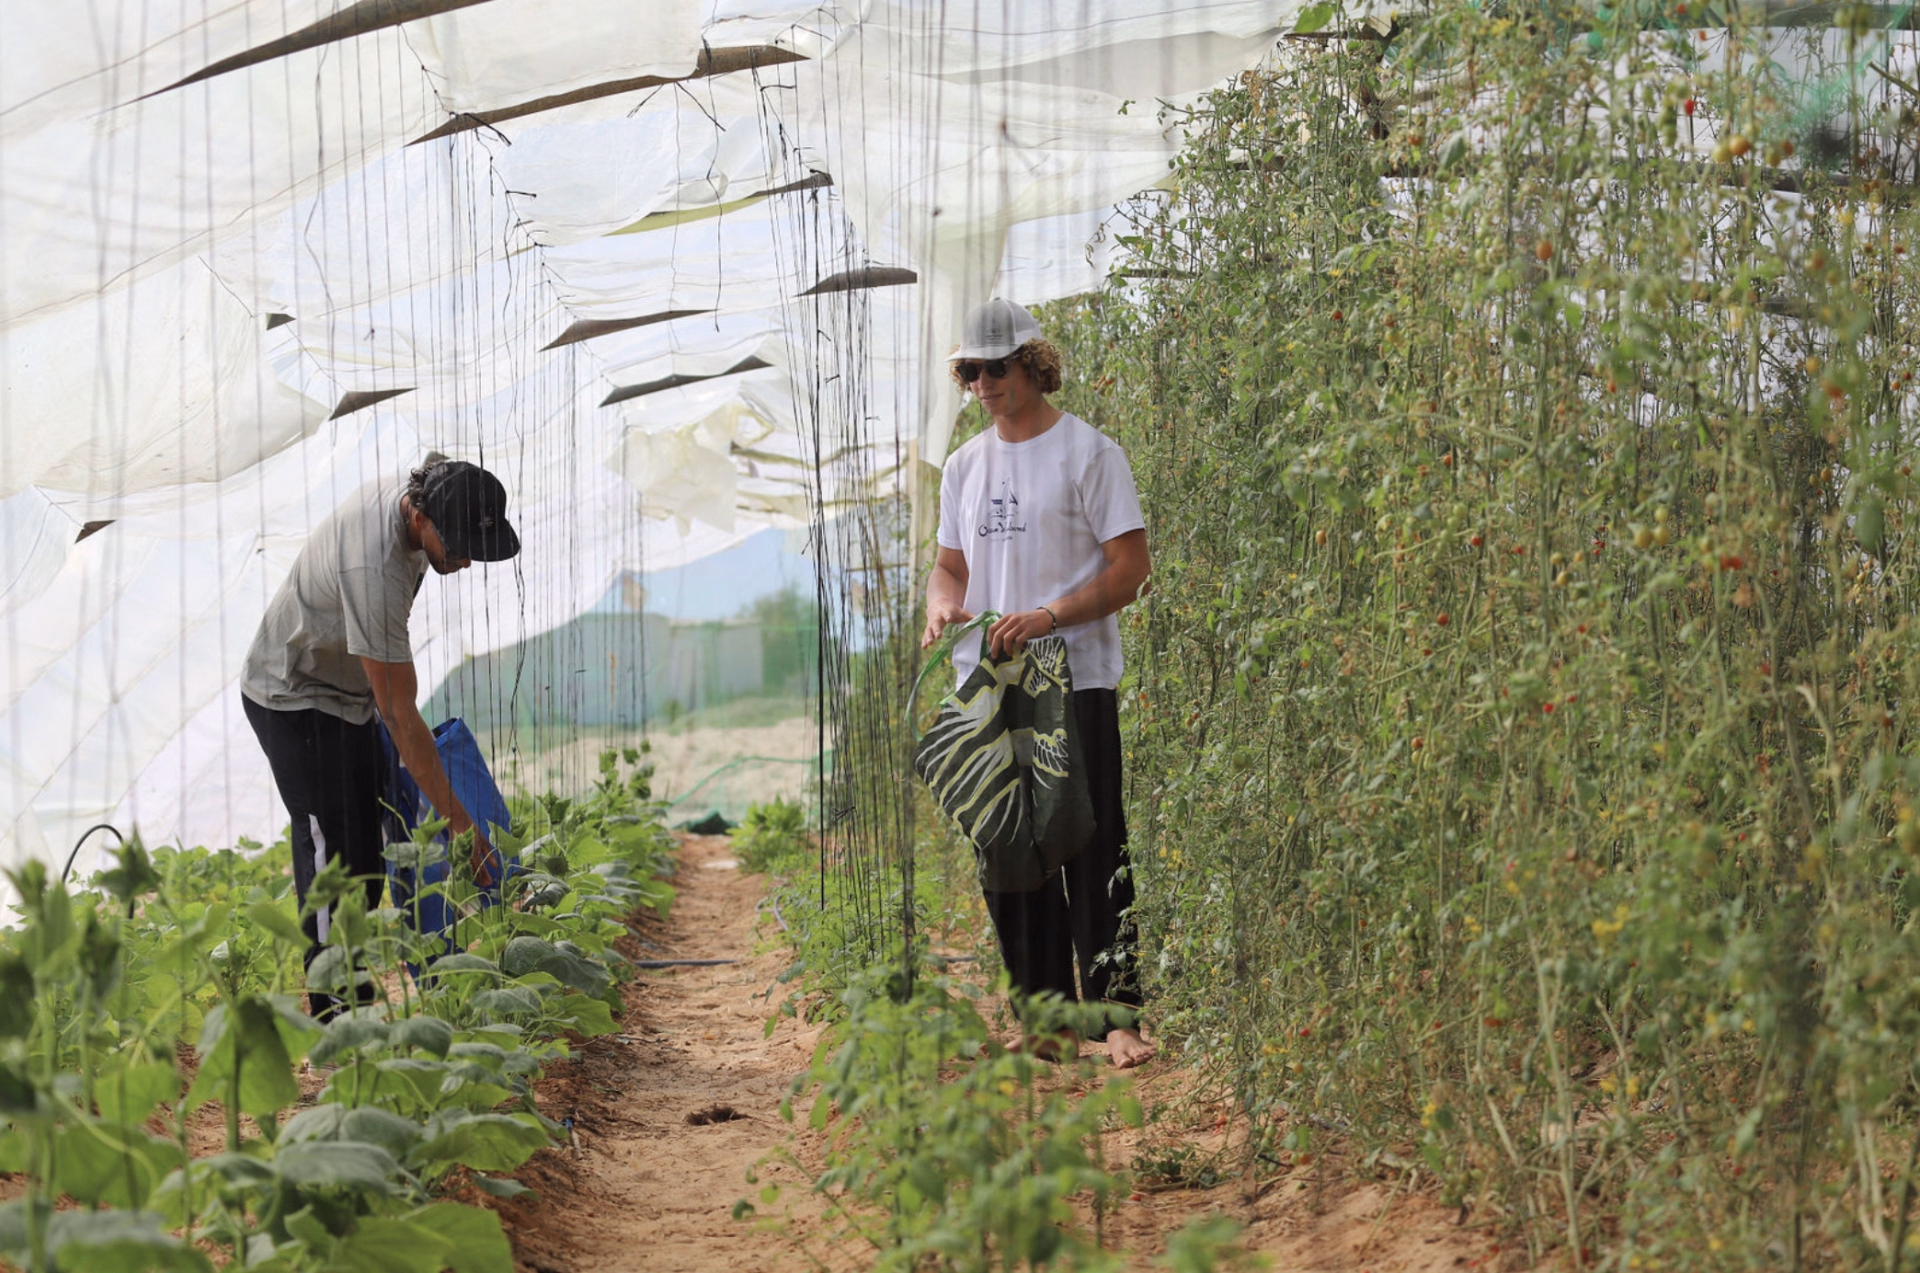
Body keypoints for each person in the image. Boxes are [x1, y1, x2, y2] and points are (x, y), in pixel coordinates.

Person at [921, 298, 1155, 1069]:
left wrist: (1050, 615)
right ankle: (1048, 1018)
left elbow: (1130, 570)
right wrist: (940, 606)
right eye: (968, 371)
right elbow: (949, 566)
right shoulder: (963, 466)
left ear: (1033, 362)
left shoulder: (1090, 454)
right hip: (989, 682)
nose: (981, 383)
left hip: (1074, 678)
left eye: (993, 367)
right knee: (1006, 844)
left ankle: (1117, 1018)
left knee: (1090, 842)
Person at [241, 455, 520, 1018]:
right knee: (335, 859)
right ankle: (335, 1017)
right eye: (459, 548)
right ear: (420, 520)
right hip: (296, 695)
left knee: (370, 857)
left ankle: (360, 996)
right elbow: (398, 710)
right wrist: (462, 831)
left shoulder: (426, 493)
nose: (465, 562)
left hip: (348, 696)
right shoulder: (376, 570)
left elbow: (439, 464)